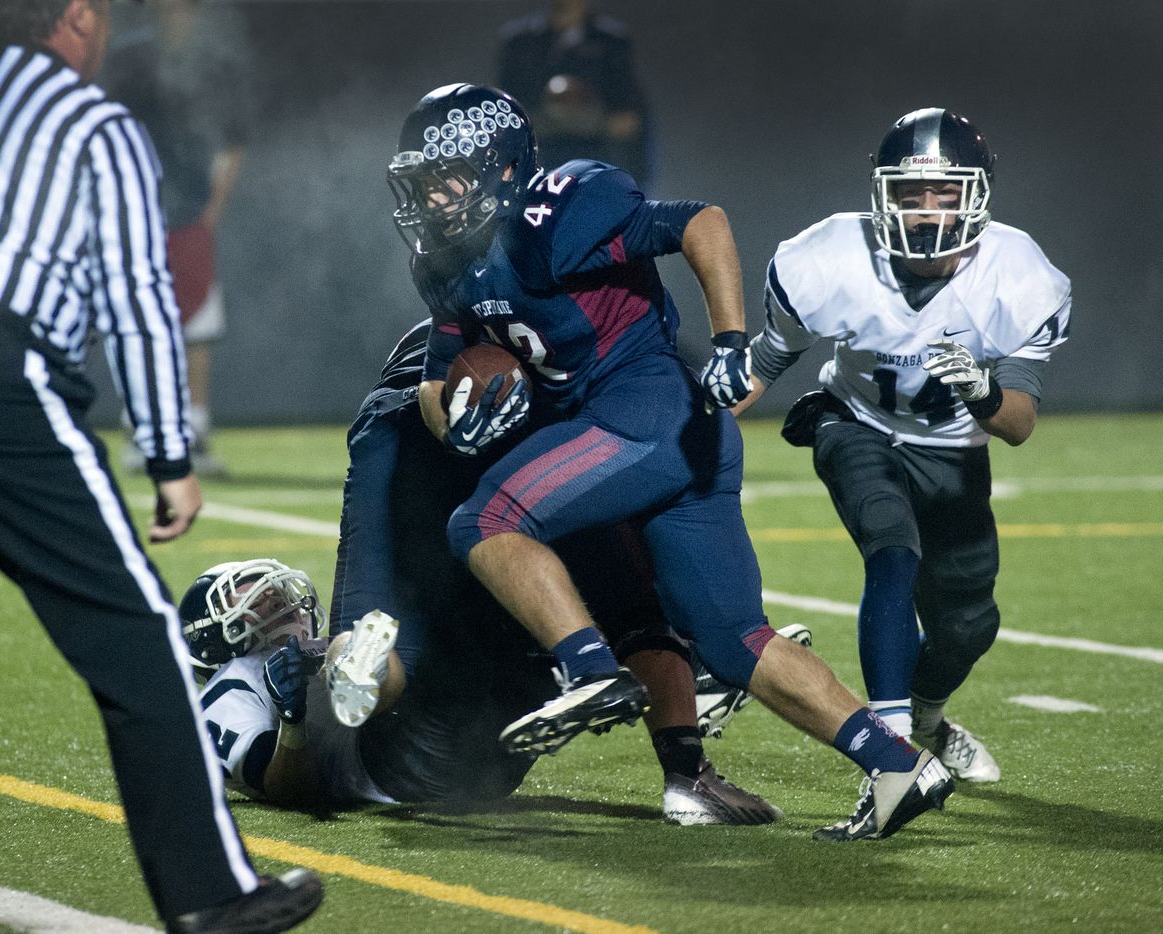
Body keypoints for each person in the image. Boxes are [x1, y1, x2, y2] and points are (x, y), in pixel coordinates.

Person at [386, 82, 955, 841]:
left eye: (445, 175)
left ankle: (590, 673)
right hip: (672, 442)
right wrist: (454, 419)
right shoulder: (446, 262)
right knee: (733, 639)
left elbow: (701, 223)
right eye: (421, 180)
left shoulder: (555, 209)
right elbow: (435, 378)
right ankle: (897, 765)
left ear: (499, 168)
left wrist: (729, 342)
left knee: (486, 518)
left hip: (646, 415)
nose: (432, 196)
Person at [0, 2, 320, 932]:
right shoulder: (95, 124)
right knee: (141, 645)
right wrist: (169, 453)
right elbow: (137, 296)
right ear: (76, 19)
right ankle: (210, 894)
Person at [733, 108, 1072, 784]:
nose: (925, 210)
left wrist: (981, 390)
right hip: (854, 424)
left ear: (977, 193)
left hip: (952, 452)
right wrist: (688, 425)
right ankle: (889, 758)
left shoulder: (1019, 273)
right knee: (892, 552)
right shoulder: (828, 257)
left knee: (968, 624)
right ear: (880, 194)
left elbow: (1018, 424)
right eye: (909, 194)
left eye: (943, 192)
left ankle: (925, 721)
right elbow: (766, 364)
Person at [180, 552, 784, 824]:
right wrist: (290, 720)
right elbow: (286, 789)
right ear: (219, 640)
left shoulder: (301, 651)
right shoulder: (231, 689)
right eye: (258, 605)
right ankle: (642, 679)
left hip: (459, 762)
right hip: (399, 772)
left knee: (539, 603)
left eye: (279, 594)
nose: (282, 605)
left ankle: (651, 677)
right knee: (473, 608)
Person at [104, 0, 253, 476]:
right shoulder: (130, 58)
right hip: (139, 215)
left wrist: (210, 212)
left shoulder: (216, 62)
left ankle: (197, 434)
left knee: (197, 328)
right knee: (142, 323)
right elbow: (110, 134)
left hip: (190, 215)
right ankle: (143, 431)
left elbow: (233, 140)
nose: (178, 11)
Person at [496, 0, 652, 189]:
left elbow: (630, 120)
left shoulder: (612, 43)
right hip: (537, 168)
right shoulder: (519, 42)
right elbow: (504, 114)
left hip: (594, 167)